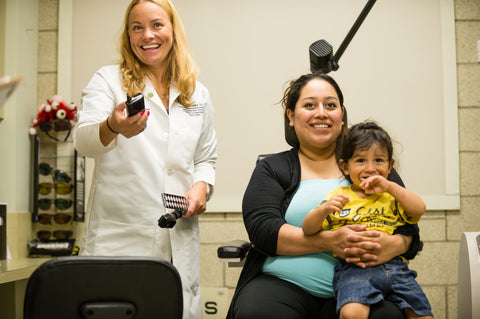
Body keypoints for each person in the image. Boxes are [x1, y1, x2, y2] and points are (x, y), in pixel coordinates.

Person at [227, 72, 423, 319]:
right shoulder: (272, 169)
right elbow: (263, 231)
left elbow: (410, 231)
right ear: (291, 116)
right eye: (309, 105)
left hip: (366, 283)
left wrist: (393, 245)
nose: (321, 112)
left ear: (341, 116)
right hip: (282, 285)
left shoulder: (371, 167)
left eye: (330, 105)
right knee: (258, 312)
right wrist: (330, 241)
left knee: (387, 317)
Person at [73, 1, 217, 318]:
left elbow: (205, 159)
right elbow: (83, 141)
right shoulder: (109, 81)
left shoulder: (197, 94)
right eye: (136, 27)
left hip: (178, 237)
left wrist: (201, 186)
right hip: (121, 240)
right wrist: (113, 126)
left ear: (173, 30)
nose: (147, 35)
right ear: (128, 36)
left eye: (156, 25)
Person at [302, 121, 433, 319]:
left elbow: (419, 209)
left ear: (390, 166)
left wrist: (390, 187)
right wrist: (324, 209)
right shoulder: (338, 196)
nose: (370, 168)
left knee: (422, 315)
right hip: (355, 269)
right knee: (352, 313)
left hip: (396, 268)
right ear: (345, 166)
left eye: (379, 160)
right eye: (361, 160)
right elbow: (308, 229)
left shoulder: (393, 196)